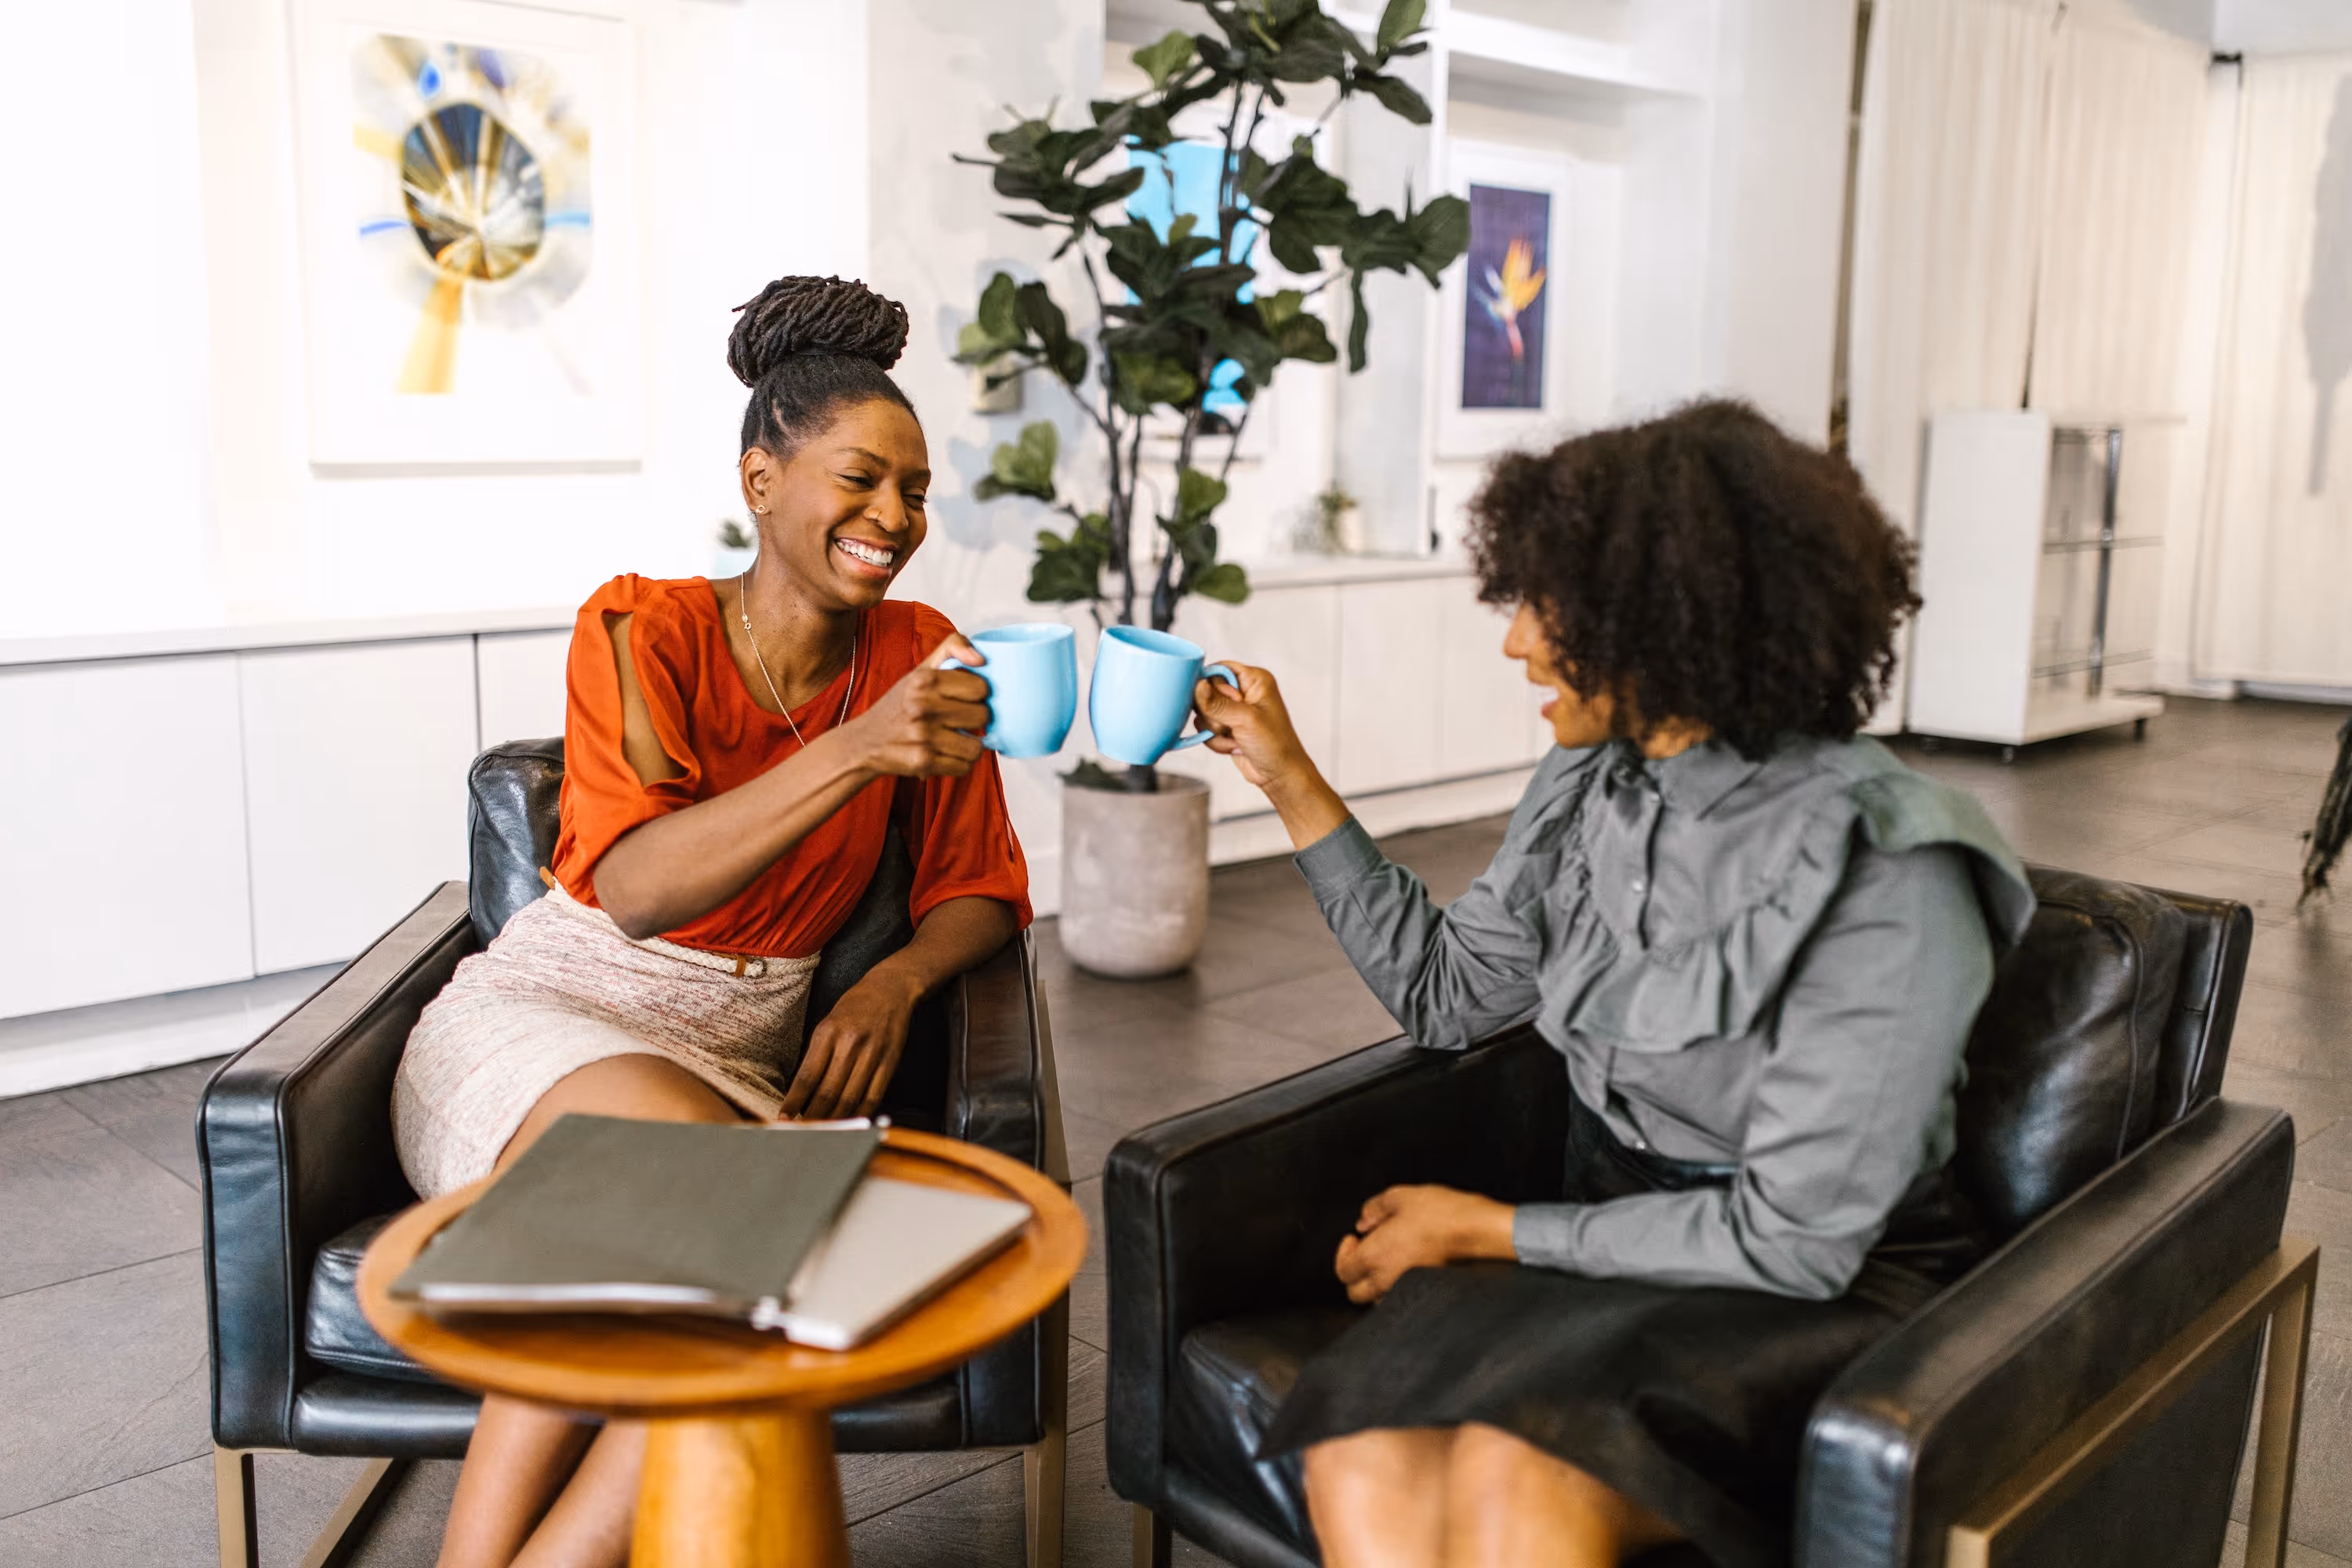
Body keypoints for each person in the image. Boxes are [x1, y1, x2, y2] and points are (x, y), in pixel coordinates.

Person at [1190, 399, 2035, 1568]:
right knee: (1360, 1445)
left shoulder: (1893, 865)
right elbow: (1448, 994)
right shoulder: (1591, 777)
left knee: (1518, 1482)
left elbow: (1797, 1243)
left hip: (1821, 1292)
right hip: (1603, 1233)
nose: (1517, 642)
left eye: (1552, 605)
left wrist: (1490, 1229)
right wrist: (1289, 783)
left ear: (1669, 617)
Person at [390, 275, 1031, 1568]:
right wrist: (858, 753)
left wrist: (890, 985)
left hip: (743, 1053)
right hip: (557, 1011)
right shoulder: (642, 627)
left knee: (695, 1274)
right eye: (861, 478)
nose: (894, 518)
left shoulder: (924, 652)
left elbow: (984, 889)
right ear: (760, 478)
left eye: (913, 492)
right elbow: (632, 888)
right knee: (662, 1206)